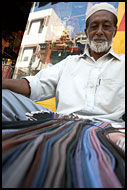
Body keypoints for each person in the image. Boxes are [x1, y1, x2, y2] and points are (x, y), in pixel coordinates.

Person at [2, 3, 125, 127]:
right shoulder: (69, 63)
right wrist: (4, 83)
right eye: (94, 27)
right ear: (86, 32)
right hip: (62, 126)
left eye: (106, 26)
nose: (99, 32)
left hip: (109, 131)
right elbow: (36, 84)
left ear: (114, 31)